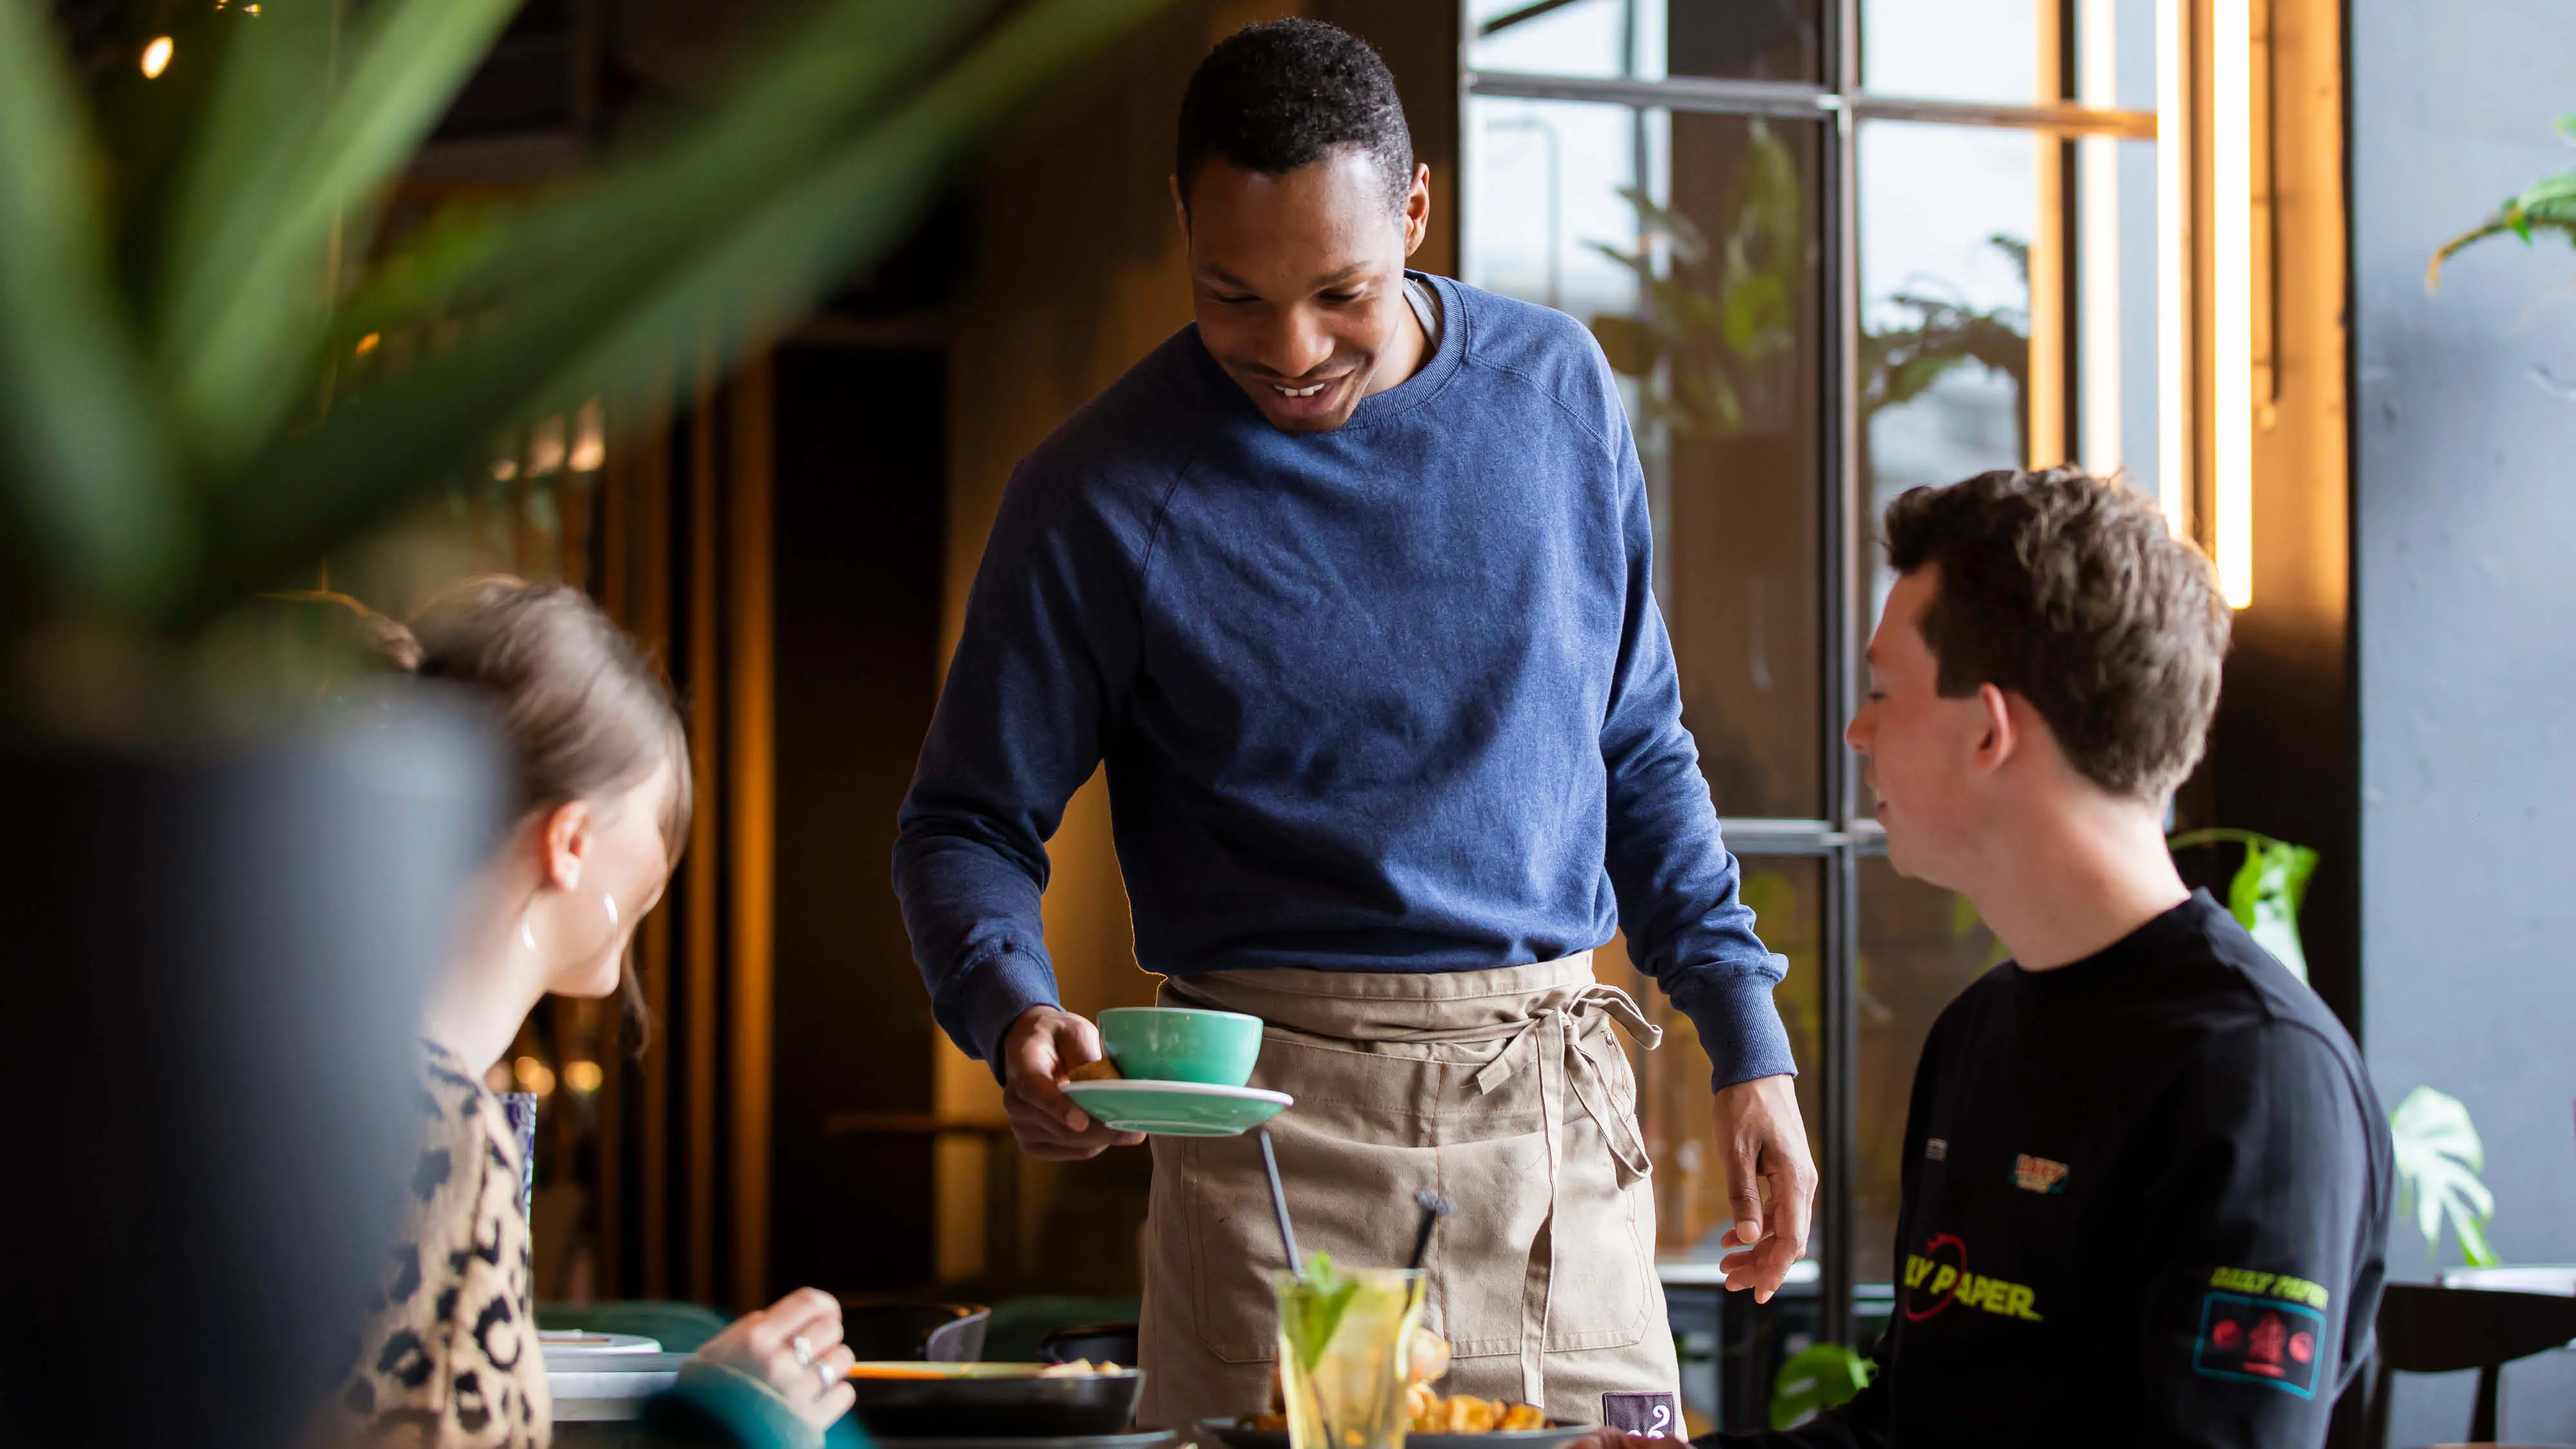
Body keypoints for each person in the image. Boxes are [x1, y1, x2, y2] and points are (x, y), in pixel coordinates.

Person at [893, 19, 1813, 1433]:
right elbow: (965, 821)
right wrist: (1010, 1006)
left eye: (1341, 291)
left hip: (1549, 1132)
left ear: (1417, 211)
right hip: (1262, 1143)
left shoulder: (1555, 394)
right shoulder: (1095, 490)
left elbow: (1633, 743)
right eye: (1232, 297)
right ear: (1181, 230)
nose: (1290, 350)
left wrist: (1745, 1039)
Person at [1600, 468, 2392, 1448]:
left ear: (1990, 729)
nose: (1856, 731)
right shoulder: (1979, 1033)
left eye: (1884, 692)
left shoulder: (2260, 1079)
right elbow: (1906, 1426)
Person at [325, 579, 857, 1448]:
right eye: (658, 822)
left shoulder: (314, 1069)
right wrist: (722, 1418)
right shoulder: (443, 1134)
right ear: (571, 841)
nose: (666, 860)